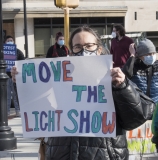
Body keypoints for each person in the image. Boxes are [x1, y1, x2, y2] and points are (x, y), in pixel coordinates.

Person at [11, 26, 155, 160]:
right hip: (62, 154)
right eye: (78, 47)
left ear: (99, 49)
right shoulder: (57, 78)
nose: (83, 50)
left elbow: (137, 117)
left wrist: (123, 87)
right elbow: (37, 110)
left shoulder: (113, 78)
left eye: (89, 46)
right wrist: (24, 83)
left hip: (104, 154)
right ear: (71, 51)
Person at [122, 39, 158, 152]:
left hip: (156, 109)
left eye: (153, 53)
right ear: (140, 56)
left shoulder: (156, 65)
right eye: (148, 54)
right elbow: (125, 74)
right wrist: (132, 55)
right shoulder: (134, 65)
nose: (151, 56)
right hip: (140, 109)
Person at [5, 35, 25, 116]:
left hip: (15, 77)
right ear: (5, 42)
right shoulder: (3, 52)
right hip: (6, 76)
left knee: (16, 95)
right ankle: (7, 111)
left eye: (11, 40)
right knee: (7, 95)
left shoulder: (18, 52)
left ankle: (18, 111)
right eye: (8, 41)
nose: (10, 42)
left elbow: (22, 62)